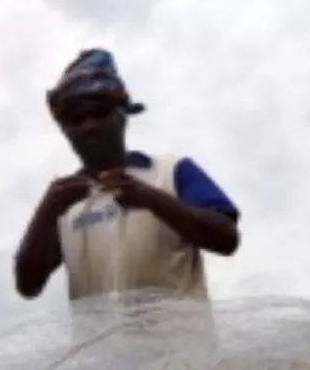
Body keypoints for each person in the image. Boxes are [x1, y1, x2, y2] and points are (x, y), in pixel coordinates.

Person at [14, 49, 242, 303]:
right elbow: (28, 287)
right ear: (65, 131)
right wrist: (44, 213)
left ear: (122, 115)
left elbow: (227, 239)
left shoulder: (172, 170)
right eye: (75, 119)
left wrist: (150, 199)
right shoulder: (63, 203)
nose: (89, 125)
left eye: (100, 113)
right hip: (99, 344)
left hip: (182, 342)